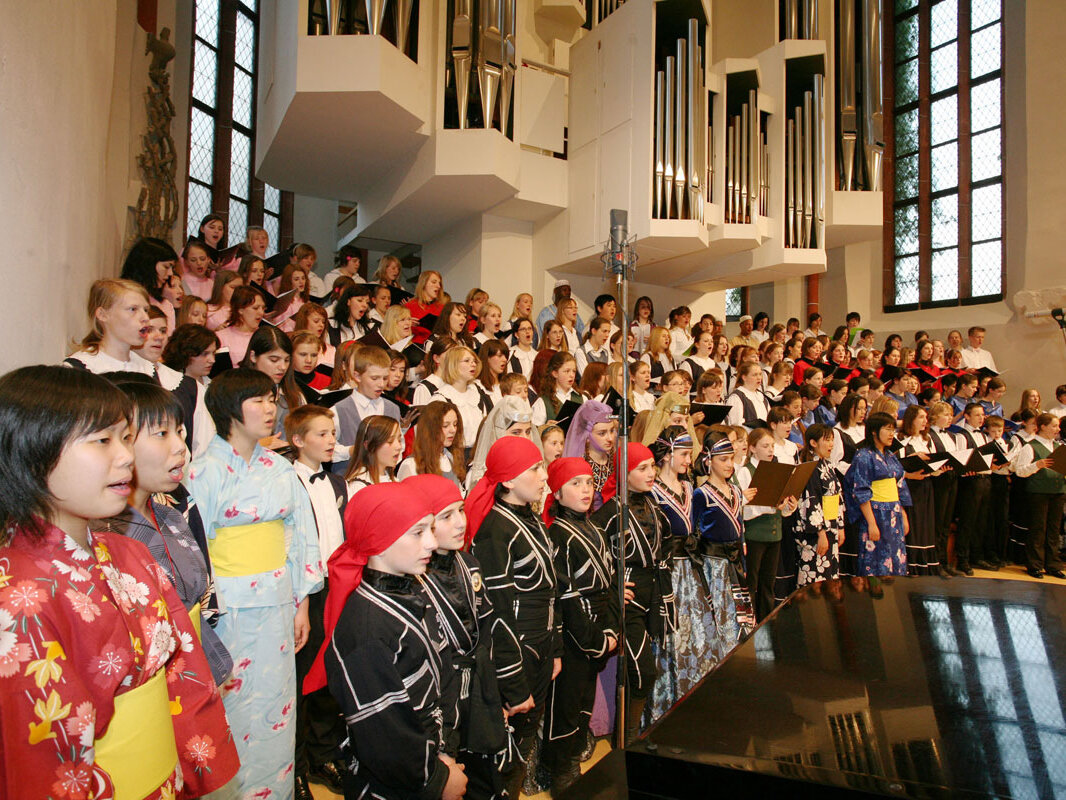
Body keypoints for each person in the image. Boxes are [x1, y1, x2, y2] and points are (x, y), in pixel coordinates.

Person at [0, 365, 239, 800]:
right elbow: (42, 763)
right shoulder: (18, 599)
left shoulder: (129, 553)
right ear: (33, 451)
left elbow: (184, 673)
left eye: (125, 438)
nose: (126, 456)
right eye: (102, 440)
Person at [186, 368, 324, 799]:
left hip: (278, 603)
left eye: (271, 400)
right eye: (258, 401)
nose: (270, 409)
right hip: (225, 610)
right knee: (231, 708)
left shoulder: (279, 468)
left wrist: (300, 603)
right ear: (229, 408)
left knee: (276, 708)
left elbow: (301, 536)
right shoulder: (203, 472)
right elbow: (193, 551)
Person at [305, 482, 467, 800]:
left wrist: (445, 750)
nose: (432, 543)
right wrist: (437, 778)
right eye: (418, 532)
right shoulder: (366, 631)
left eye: (430, 529)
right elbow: (385, 735)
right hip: (396, 783)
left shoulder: (412, 589)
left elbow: (444, 675)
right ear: (379, 539)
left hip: (434, 753)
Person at [94, 376, 231, 685]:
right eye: (161, 434)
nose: (180, 447)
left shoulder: (171, 514)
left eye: (180, 432)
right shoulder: (102, 535)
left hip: (195, 674)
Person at [467, 437, 557, 798]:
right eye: (534, 469)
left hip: (540, 647)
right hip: (515, 655)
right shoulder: (494, 531)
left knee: (520, 753)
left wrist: (557, 649)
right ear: (507, 480)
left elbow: (553, 588)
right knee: (505, 757)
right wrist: (512, 683)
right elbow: (497, 613)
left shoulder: (530, 518)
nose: (543, 476)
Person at [413, 474, 510, 800]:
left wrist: (495, 691)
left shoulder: (469, 564)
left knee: (483, 777)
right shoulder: (413, 580)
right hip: (440, 698)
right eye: (446, 516)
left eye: (461, 511)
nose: (459, 524)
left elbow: (486, 627)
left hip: (476, 692)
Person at [540, 458, 618, 795]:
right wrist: (594, 639)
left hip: (598, 629)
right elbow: (566, 597)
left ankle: (571, 759)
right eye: (575, 484)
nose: (586, 490)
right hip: (575, 636)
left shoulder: (595, 529)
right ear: (556, 493)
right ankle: (560, 771)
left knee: (583, 702)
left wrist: (612, 630)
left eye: (588, 482)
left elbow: (613, 583)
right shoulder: (556, 534)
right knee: (565, 707)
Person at [284, 405, 350, 798]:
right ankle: (295, 765)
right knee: (300, 679)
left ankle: (325, 754)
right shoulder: (287, 481)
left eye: (332, 434)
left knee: (329, 674)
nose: (330, 441)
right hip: (304, 591)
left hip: (335, 586)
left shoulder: (335, 483)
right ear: (297, 440)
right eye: (322, 434)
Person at [592, 443, 675, 745]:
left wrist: (665, 599)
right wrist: (612, 583)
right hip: (626, 605)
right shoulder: (609, 514)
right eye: (642, 468)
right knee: (641, 673)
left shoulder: (655, 508)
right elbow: (595, 559)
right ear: (624, 473)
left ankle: (629, 736)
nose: (652, 473)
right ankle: (624, 740)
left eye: (653, 466)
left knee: (641, 674)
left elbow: (665, 553)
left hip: (650, 599)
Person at [646, 426, 721, 725]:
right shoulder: (652, 490)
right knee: (671, 637)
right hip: (667, 573)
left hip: (691, 570)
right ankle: (666, 701)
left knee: (699, 634)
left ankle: (695, 694)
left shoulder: (689, 488)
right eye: (684, 454)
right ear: (667, 455)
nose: (689, 460)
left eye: (690, 455)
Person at [692, 431, 756, 646]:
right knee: (721, 617)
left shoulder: (736, 491)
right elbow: (694, 534)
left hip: (736, 564)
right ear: (709, 461)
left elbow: (740, 529)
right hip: (714, 566)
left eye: (731, 458)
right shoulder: (701, 494)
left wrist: (743, 563)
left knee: (741, 619)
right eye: (723, 459)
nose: (730, 464)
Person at [736, 427, 797, 620]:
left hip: (774, 533)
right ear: (752, 448)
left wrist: (788, 506)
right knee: (752, 583)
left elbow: (782, 508)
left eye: (772, 446)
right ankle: (751, 623)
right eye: (765, 446)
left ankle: (767, 621)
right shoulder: (746, 472)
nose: (770, 450)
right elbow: (743, 509)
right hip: (755, 535)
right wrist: (770, 506)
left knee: (768, 584)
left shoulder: (776, 469)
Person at [843, 411, 911, 577]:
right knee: (875, 561)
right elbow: (860, 491)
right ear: (874, 431)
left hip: (894, 512)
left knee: (896, 559)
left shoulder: (890, 456)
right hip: (875, 513)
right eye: (887, 429)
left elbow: (899, 484)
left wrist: (903, 515)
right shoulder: (864, 456)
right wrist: (871, 523)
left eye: (893, 429)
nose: (891, 434)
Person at [331, 344, 401, 473]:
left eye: (385, 378)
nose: (381, 384)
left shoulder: (393, 409)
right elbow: (327, 448)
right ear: (357, 376)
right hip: (349, 479)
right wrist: (351, 451)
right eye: (374, 378)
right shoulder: (339, 410)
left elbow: (399, 448)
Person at [1013, 413, 1066, 579]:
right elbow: (1020, 471)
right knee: (1038, 529)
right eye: (1054, 426)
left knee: (1054, 530)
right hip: (1038, 492)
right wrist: (1038, 465)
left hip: (1058, 492)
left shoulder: (1058, 446)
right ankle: (1035, 564)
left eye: (1057, 426)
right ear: (1042, 426)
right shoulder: (1030, 446)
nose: (1057, 429)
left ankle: (1052, 564)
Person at [794, 424, 845, 586]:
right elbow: (810, 501)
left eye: (832, 440)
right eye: (827, 440)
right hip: (817, 533)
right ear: (813, 443)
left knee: (830, 576)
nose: (831, 444)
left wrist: (840, 526)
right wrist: (820, 533)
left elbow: (838, 498)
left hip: (832, 526)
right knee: (816, 576)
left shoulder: (828, 465)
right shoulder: (809, 468)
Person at [898, 405, 941, 576]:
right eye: (921, 417)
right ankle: (911, 565)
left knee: (925, 525)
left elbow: (935, 463)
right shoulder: (901, 440)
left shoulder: (927, 439)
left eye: (926, 417)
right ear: (911, 420)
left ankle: (925, 565)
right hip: (909, 487)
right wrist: (909, 472)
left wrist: (940, 467)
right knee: (913, 525)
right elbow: (895, 467)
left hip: (926, 486)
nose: (925, 421)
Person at [953, 402, 993, 574]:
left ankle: (976, 556)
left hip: (985, 479)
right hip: (970, 481)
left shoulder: (984, 436)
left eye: (983, 415)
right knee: (968, 521)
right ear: (967, 416)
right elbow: (962, 461)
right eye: (977, 415)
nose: (981, 418)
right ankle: (963, 559)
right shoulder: (962, 436)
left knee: (981, 521)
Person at [465, 395, 538, 489]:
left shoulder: (533, 467)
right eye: (516, 432)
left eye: (528, 432)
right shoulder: (482, 474)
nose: (525, 438)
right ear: (499, 433)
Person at [430, 345, 490, 450]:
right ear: (453, 365)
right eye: (467, 361)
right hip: (454, 456)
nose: (473, 364)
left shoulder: (477, 395)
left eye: (474, 361)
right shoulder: (441, 398)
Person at [397, 400, 467, 488]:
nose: (453, 430)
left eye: (455, 424)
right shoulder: (411, 464)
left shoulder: (450, 458)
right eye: (445, 425)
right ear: (430, 429)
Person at [562, 400, 617, 511]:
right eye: (602, 433)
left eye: (612, 431)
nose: (610, 438)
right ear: (586, 436)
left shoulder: (615, 462)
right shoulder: (579, 466)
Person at [344, 414, 404, 495]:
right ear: (368, 445)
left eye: (399, 440)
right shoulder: (359, 486)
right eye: (390, 441)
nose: (399, 447)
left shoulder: (394, 480)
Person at [216, 285, 266, 364]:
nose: (261, 312)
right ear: (240, 309)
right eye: (255, 308)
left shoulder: (265, 336)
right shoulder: (220, 337)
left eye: (263, 308)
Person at [532, 351, 583, 426]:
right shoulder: (543, 402)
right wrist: (545, 428)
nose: (572, 375)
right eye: (567, 371)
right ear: (555, 373)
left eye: (574, 371)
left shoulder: (581, 398)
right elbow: (533, 432)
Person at [725, 362, 770, 428]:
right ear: (744, 377)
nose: (759, 378)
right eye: (754, 375)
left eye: (760, 374)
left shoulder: (761, 396)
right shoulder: (737, 397)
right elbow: (736, 425)